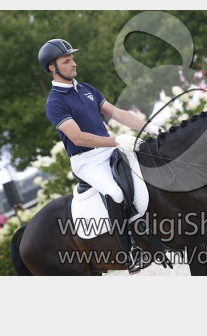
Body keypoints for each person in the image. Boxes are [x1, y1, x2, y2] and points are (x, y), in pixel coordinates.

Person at [38, 39, 165, 275]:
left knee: (148, 164)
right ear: (52, 68)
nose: (74, 63)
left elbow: (117, 113)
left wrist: (149, 127)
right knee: (115, 193)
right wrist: (116, 141)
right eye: (67, 61)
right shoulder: (55, 102)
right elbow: (78, 138)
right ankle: (130, 253)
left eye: (72, 59)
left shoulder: (87, 89)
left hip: (108, 150)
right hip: (86, 160)